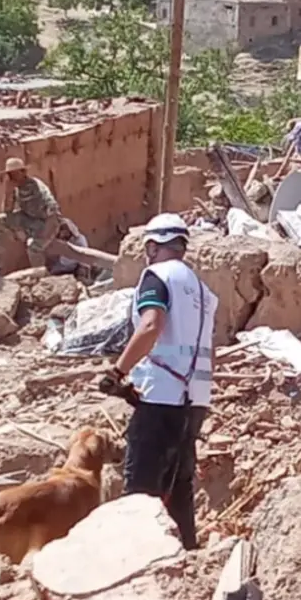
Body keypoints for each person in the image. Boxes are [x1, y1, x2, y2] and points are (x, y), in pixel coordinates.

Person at [98, 213, 216, 550]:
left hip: (163, 396)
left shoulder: (157, 276)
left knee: (141, 488)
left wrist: (117, 372)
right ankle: (187, 554)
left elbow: (151, 325)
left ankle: (135, 556)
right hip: (195, 399)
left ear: (152, 246)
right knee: (179, 485)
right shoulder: (202, 290)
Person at [0, 158, 61, 276]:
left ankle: (41, 275)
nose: (12, 177)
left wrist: (45, 233)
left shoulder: (36, 185)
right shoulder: (15, 188)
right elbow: (7, 212)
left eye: (14, 174)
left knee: (33, 248)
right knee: (1, 219)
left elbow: (53, 208)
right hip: (29, 221)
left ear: (23, 172)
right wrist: (8, 193)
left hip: (46, 223)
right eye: (10, 174)